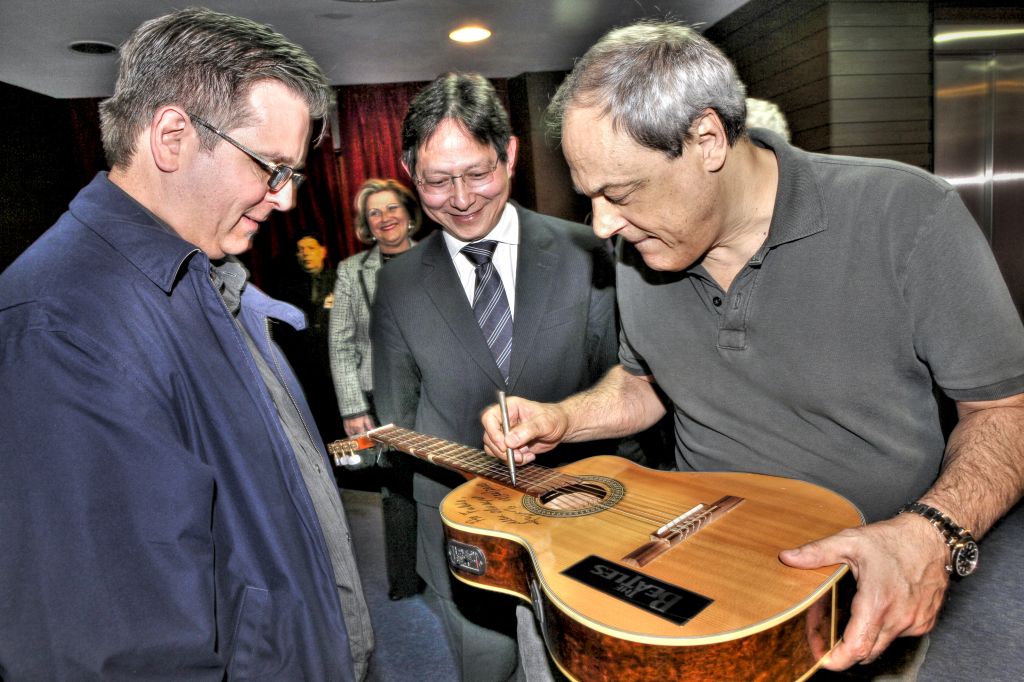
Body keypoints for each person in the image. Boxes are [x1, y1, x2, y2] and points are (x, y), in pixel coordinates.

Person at [482, 21, 1024, 678]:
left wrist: (932, 531)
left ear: (706, 139)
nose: (602, 225)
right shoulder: (638, 246)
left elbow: (1005, 410)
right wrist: (564, 418)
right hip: (688, 573)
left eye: (618, 193)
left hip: (852, 604)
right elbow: (644, 381)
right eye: (589, 196)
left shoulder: (906, 213)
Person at [0, 8, 373, 680]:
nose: (284, 200)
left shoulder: (201, 277)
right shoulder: (62, 325)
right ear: (172, 136)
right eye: (270, 167)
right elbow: (109, 654)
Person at [370, 72, 619, 681]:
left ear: (509, 154)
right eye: (436, 180)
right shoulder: (398, 282)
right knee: (488, 666)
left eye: (478, 173)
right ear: (409, 173)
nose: (460, 199)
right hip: (458, 524)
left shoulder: (589, 252)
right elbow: (397, 421)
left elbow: (625, 388)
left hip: (581, 517)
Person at [329, 177, 422, 600]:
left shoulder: (439, 259)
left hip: (436, 392)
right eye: (374, 213)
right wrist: (352, 407)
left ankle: (451, 575)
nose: (385, 219)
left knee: (448, 485)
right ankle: (406, 580)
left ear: (408, 212)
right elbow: (341, 343)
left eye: (391, 208)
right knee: (397, 489)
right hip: (379, 397)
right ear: (366, 225)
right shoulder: (352, 271)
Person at [270, 232, 341, 440]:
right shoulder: (285, 289)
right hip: (307, 373)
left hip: (338, 367)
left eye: (310, 248)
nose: (305, 254)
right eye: (301, 250)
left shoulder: (341, 279)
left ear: (323, 251)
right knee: (322, 427)